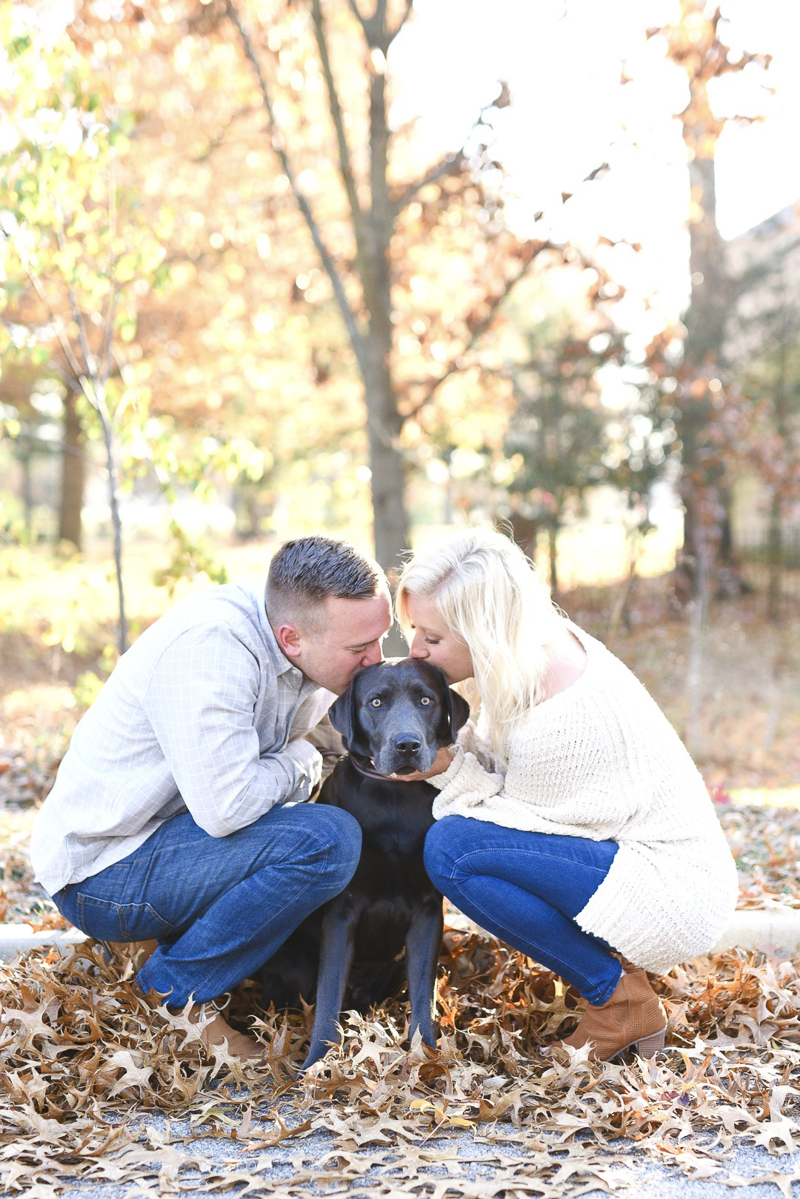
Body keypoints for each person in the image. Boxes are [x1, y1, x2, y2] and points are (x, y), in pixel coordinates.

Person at [30, 536, 391, 1059]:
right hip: (104, 871)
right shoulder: (212, 650)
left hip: (170, 840)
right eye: (360, 650)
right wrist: (304, 760)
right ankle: (175, 993)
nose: (375, 661)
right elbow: (229, 809)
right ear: (292, 639)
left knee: (322, 824)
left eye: (380, 640)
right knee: (326, 840)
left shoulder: (304, 639)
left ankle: (173, 948)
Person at [394, 527, 738, 1062]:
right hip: (636, 854)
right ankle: (616, 982)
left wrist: (442, 768)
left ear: (484, 632)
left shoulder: (559, 717)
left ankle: (618, 999)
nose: (415, 649)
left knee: (453, 851)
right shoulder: (531, 650)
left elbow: (516, 824)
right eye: (415, 629)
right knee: (460, 841)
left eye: (431, 639)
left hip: (671, 890)